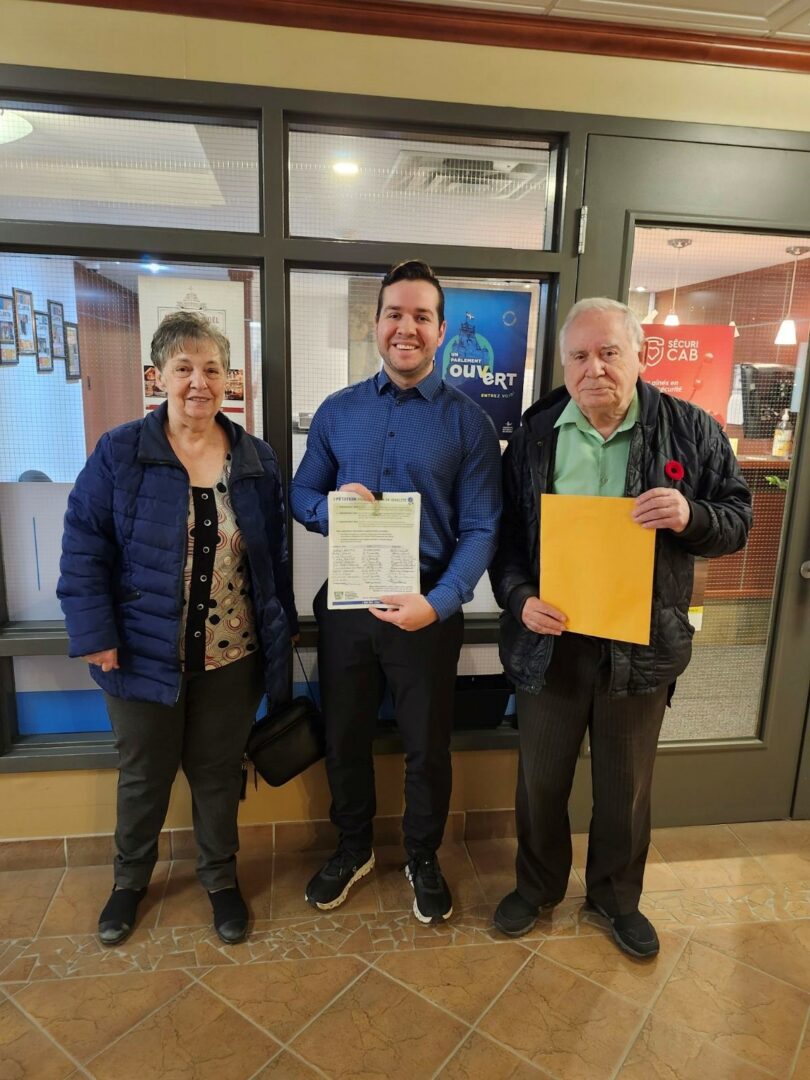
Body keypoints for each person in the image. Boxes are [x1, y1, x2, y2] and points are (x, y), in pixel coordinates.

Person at [489, 297, 751, 958]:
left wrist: (692, 515)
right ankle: (539, 886)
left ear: (639, 355)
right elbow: (508, 542)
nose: (594, 368)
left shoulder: (690, 430)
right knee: (541, 781)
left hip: (640, 643)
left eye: (609, 352)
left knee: (625, 787)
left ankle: (614, 897)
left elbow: (737, 519)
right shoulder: (535, 435)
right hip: (552, 641)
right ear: (563, 364)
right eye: (579, 355)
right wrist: (519, 597)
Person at [58, 310, 298, 947]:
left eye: (212, 369)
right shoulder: (121, 452)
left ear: (230, 379)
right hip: (140, 653)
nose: (199, 381)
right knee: (144, 774)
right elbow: (85, 548)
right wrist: (96, 633)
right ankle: (129, 880)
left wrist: (279, 631)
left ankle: (220, 877)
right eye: (184, 368)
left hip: (231, 654)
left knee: (219, 772)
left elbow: (272, 559)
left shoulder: (255, 457)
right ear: (157, 375)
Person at [290, 260, 501, 923]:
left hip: (426, 612)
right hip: (349, 606)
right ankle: (352, 848)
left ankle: (421, 855)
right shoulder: (337, 411)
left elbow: (482, 527)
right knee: (345, 736)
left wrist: (438, 603)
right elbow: (298, 494)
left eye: (421, 316)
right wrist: (329, 507)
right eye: (394, 314)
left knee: (425, 747)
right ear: (376, 324)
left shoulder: (468, 424)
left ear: (440, 331)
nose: (406, 327)